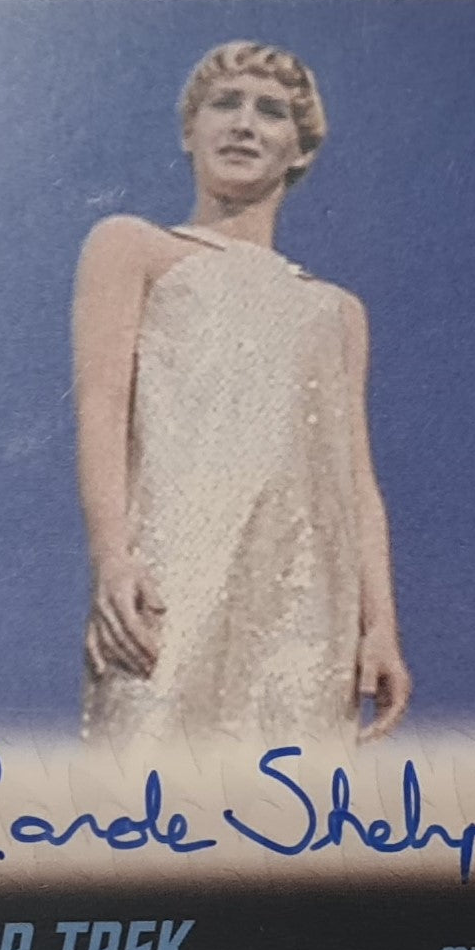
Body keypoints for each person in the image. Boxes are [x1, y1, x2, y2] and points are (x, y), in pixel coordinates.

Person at [73, 41, 410, 753]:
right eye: (224, 104)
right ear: (189, 131)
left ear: (300, 148)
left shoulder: (336, 310)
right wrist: (112, 558)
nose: (244, 123)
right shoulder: (134, 246)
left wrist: (380, 625)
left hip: (306, 616)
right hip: (170, 586)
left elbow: (357, 481)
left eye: (271, 111)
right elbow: (101, 405)